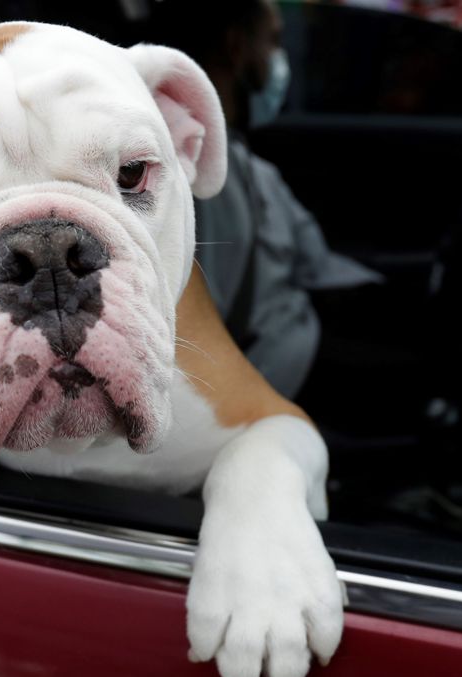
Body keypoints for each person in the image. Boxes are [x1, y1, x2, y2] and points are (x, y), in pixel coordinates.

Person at [149, 0, 380, 399]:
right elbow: (196, 343)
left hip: (306, 336)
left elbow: (314, 262)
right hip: (268, 385)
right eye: (272, 41)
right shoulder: (191, 175)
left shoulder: (246, 165)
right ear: (236, 47)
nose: (279, 59)